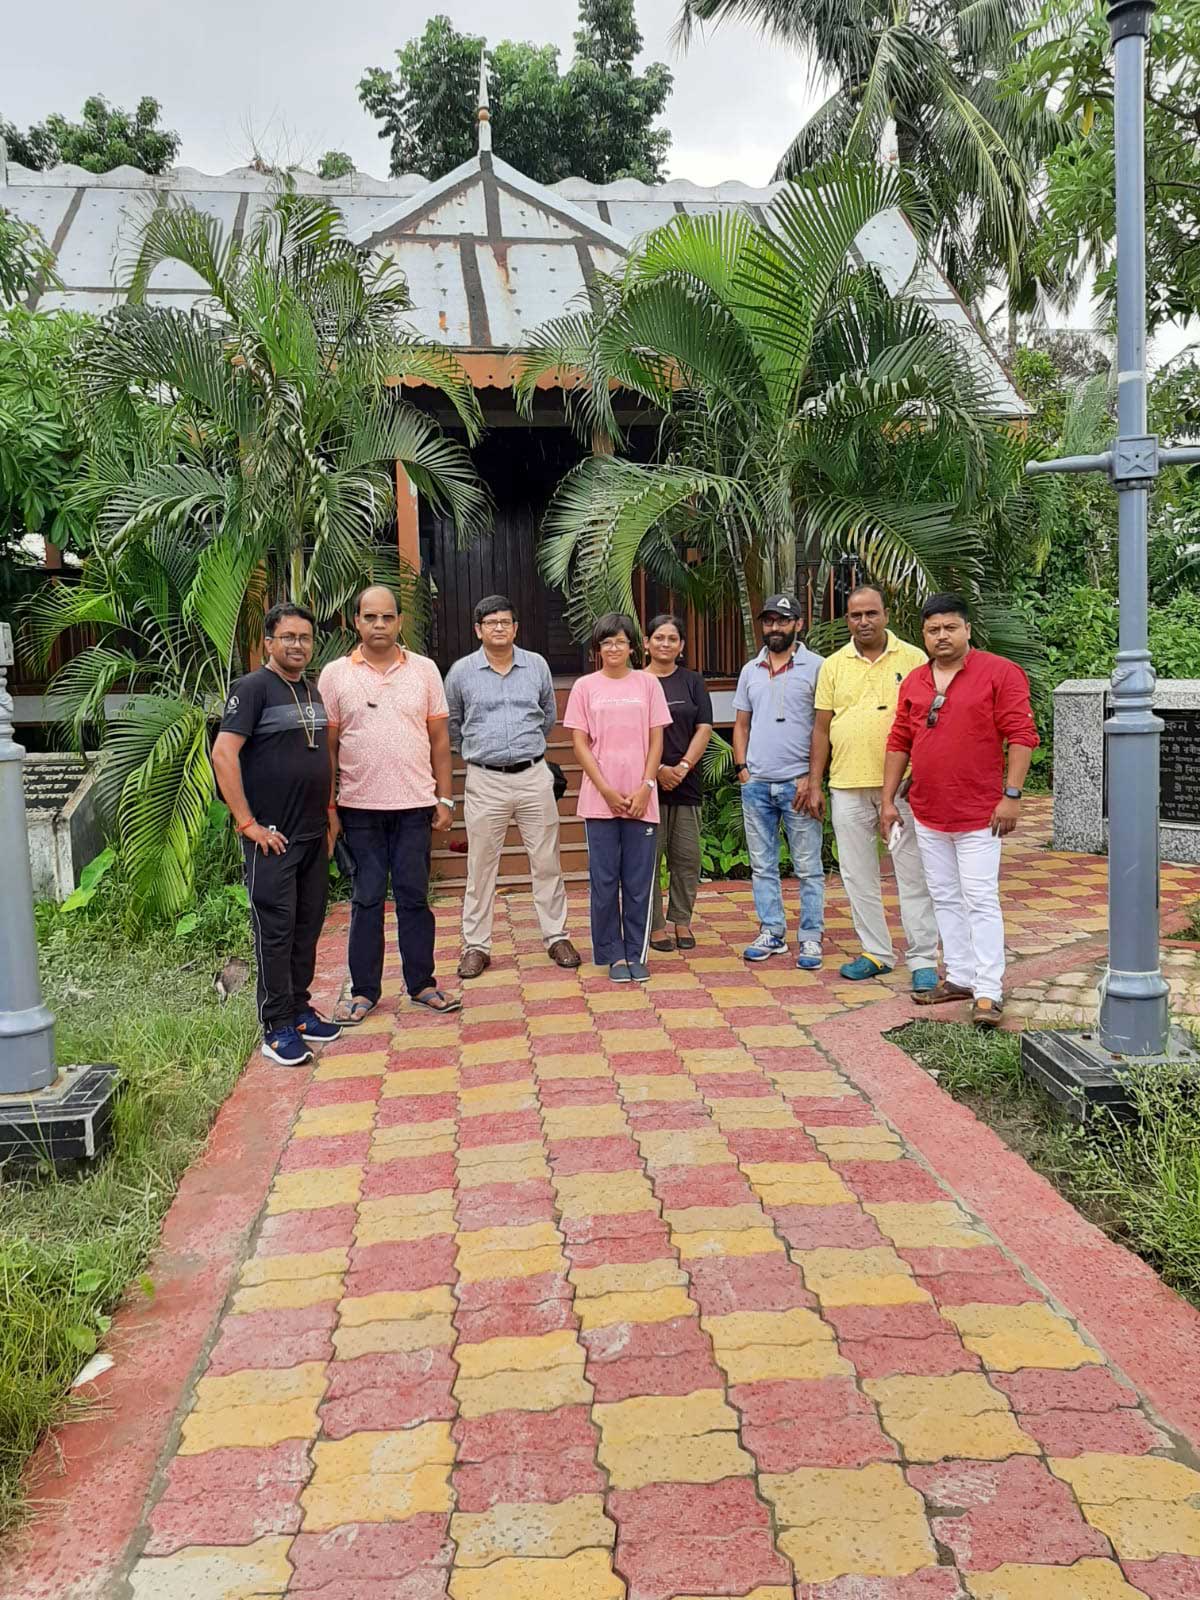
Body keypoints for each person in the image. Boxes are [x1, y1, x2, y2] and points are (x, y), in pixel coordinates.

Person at [881, 592, 1039, 1029]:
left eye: (951, 627)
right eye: (933, 629)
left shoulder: (1000, 672)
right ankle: (960, 976)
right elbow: (899, 740)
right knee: (944, 896)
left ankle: (988, 990)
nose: (942, 636)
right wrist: (888, 801)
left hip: (981, 813)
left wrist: (1012, 795)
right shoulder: (915, 681)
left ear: (967, 629)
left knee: (980, 898)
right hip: (929, 811)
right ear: (923, 635)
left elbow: (1022, 734)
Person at [320, 585, 459, 1021]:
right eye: (370, 617)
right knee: (366, 900)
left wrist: (445, 797)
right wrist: (329, 809)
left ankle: (422, 984)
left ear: (399, 621)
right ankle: (364, 991)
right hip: (359, 809)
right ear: (356, 622)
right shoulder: (335, 675)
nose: (378, 625)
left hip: (415, 806)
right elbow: (328, 748)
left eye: (386, 617)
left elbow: (439, 741)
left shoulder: (424, 670)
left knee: (414, 897)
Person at [211, 602, 341, 1067]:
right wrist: (247, 824)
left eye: (304, 637)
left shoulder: (311, 690)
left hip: (312, 834)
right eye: (288, 637)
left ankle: (300, 1010)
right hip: (272, 839)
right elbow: (223, 754)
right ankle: (276, 1027)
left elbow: (321, 755)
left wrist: (330, 811)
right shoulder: (251, 689)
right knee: (276, 931)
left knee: (307, 926)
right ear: (269, 642)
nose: (297, 645)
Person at [807, 585, 939, 992]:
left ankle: (923, 958)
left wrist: (923, 770)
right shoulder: (833, 665)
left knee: (912, 874)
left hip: (901, 789)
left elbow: (930, 721)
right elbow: (821, 728)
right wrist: (814, 782)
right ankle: (876, 952)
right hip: (846, 785)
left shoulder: (914, 659)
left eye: (871, 613)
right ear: (847, 619)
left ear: (885, 615)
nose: (863, 622)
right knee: (857, 875)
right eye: (855, 615)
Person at [444, 594, 580, 978]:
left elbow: (547, 716)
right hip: (485, 779)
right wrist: (481, 752)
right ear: (478, 630)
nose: (499, 628)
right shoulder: (461, 672)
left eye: (505, 622)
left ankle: (556, 936)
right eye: (491, 623)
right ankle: (476, 945)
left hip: (533, 775)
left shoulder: (536, 665)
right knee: (481, 865)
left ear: (516, 628)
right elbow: (453, 723)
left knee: (547, 860)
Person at [564, 612, 672, 982]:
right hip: (600, 800)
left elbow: (656, 739)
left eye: (620, 642)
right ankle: (613, 955)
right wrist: (606, 790)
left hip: (642, 798)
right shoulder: (585, 687)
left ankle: (636, 952)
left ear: (633, 647)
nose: (614, 648)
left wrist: (646, 786)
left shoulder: (648, 684)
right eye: (607, 642)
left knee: (639, 882)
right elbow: (579, 743)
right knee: (605, 882)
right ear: (598, 648)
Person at [732, 595, 826, 968]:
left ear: (798, 624)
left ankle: (811, 937)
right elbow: (741, 724)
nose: (774, 628)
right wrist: (742, 769)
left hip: (798, 785)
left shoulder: (818, 667)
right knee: (762, 865)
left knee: (808, 867)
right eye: (769, 621)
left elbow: (824, 728)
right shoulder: (750, 670)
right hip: (756, 784)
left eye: (783, 620)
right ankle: (772, 931)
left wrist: (812, 779)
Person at [643, 613, 714, 952]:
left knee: (686, 858)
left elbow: (704, 727)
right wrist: (657, 769)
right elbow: (631, 734)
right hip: (646, 786)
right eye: (659, 637)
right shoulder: (637, 682)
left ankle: (682, 920)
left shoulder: (692, 681)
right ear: (646, 643)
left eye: (672, 638)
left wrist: (683, 766)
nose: (665, 644)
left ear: (681, 645)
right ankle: (655, 926)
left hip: (686, 783)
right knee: (648, 860)